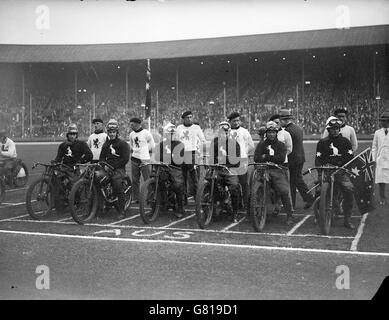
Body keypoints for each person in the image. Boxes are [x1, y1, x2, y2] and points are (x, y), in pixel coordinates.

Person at [315, 117, 355, 229]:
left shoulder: (346, 142)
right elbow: (318, 159)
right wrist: (320, 171)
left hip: (341, 171)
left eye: (337, 128)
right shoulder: (322, 143)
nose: (335, 130)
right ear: (328, 130)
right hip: (327, 171)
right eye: (333, 129)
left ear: (340, 129)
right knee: (318, 190)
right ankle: (319, 216)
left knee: (349, 191)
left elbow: (350, 158)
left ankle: (347, 219)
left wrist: (342, 168)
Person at [254, 121, 295, 225]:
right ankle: (256, 213)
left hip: (277, 170)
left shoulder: (281, 145)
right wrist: (268, 159)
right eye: (269, 132)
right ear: (266, 133)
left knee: (284, 191)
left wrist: (266, 157)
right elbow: (256, 158)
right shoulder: (261, 144)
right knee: (257, 189)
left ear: (276, 133)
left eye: (273, 132)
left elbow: (281, 159)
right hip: (264, 170)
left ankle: (289, 215)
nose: (271, 134)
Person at [279, 109, 315, 210]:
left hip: (293, 159)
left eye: (281, 120)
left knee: (293, 182)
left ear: (285, 120)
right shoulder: (297, 128)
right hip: (300, 157)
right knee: (297, 180)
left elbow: (287, 146)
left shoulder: (287, 131)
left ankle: (294, 203)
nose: (280, 122)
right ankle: (308, 198)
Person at [53, 124, 93, 211]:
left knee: (75, 184)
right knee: (56, 179)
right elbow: (59, 158)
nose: (72, 136)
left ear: (76, 135)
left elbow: (89, 155)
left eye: (74, 134)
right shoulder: (63, 145)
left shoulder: (81, 144)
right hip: (65, 167)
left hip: (76, 168)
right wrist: (55, 163)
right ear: (67, 135)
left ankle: (80, 202)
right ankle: (60, 202)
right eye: (70, 134)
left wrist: (80, 162)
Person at [209, 121, 241, 222]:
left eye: (226, 132)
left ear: (229, 132)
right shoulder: (214, 142)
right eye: (222, 132)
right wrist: (214, 163)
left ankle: (235, 212)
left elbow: (236, 160)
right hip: (218, 169)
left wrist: (227, 164)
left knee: (234, 186)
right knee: (210, 183)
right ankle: (216, 205)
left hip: (230, 169)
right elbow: (211, 156)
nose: (224, 134)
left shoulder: (234, 143)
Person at [99, 119, 130, 219]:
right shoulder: (106, 144)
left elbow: (125, 159)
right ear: (107, 132)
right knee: (97, 180)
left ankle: (122, 210)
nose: (112, 134)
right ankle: (102, 205)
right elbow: (102, 158)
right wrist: (104, 166)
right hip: (107, 168)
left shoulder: (123, 144)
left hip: (119, 169)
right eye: (110, 132)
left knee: (116, 183)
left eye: (114, 132)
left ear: (117, 132)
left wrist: (113, 167)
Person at [154, 123, 186, 218]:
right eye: (169, 133)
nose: (171, 135)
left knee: (177, 185)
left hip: (175, 167)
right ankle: (161, 203)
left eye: (173, 133)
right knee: (156, 180)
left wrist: (167, 158)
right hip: (163, 167)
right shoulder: (161, 144)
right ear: (165, 134)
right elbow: (157, 156)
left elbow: (179, 160)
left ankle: (180, 207)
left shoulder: (180, 144)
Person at [176, 111, 206, 202]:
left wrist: (202, 153)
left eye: (190, 117)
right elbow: (176, 141)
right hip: (181, 154)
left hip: (192, 154)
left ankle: (197, 198)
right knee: (182, 178)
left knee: (194, 178)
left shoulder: (196, 128)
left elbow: (203, 140)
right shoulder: (179, 128)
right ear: (183, 119)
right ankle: (184, 199)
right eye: (187, 117)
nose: (189, 119)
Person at [228, 112, 254, 208]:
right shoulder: (227, 132)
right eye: (234, 121)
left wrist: (243, 153)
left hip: (242, 161)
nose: (236, 122)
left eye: (238, 120)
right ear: (230, 122)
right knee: (233, 183)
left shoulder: (244, 131)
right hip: (230, 162)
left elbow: (251, 145)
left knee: (244, 183)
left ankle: (246, 203)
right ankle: (237, 203)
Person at [129, 117, 155, 203]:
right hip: (134, 159)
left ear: (137, 124)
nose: (130, 126)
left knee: (147, 179)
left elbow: (152, 144)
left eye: (132, 124)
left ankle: (150, 198)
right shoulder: (131, 134)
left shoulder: (146, 133)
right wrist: (136, 151)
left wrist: (144, 151)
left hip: (145, 159)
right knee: (135, 180)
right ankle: (135, 198)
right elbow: (132, 145)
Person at [372, 110, 389, 205]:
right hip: (381, 159)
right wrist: (374, 159)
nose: (383, 122)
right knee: (381, 180)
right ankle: (382, 198)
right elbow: (374, 146)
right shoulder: (377, 133)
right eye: (382, 121)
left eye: (385, 121)